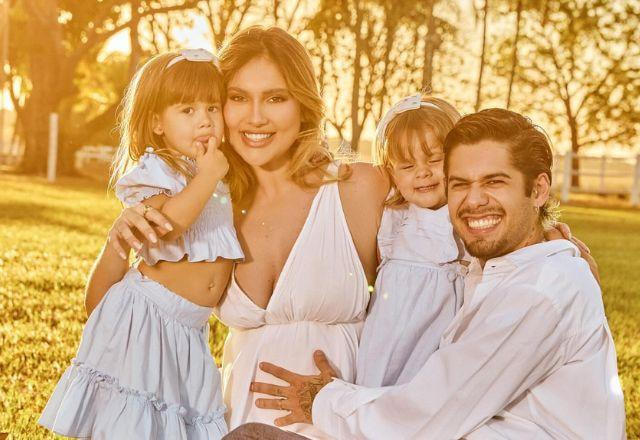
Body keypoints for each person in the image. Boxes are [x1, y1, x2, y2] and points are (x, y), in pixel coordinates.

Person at [82, 26, 389, 439]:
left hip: (343, 422)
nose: (255, 117)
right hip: (232, 422)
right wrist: (118, 237)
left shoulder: (358, 189)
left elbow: (424, 305)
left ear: (303, 105)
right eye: (237, 98)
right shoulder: (211, 208)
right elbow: (135, 308)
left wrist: (351, 402)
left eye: (276, 98)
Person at [250, 109, 626, 439]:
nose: (474, 200)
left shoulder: (539, 291)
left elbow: (426, 417)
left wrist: (324, 399)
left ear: (539, 189)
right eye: (460, 184)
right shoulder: (498, 272)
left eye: (495, 181)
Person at [39, 49, 243, 439]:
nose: (204, 120)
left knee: (174, 422)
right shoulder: (158, 170)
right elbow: (168, 226)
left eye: (212, 108)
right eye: (187, 110)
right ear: (157, 122)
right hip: (148, 317)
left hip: (190, 330)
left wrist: (213, 174)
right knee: (134, 421)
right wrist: (209, 174)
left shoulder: (216, 176)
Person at [357, 94, 467, 388]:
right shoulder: (393, 218)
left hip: (442, 348)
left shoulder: (469, 215)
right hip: (392, 338)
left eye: (435, 159)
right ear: (391, 172)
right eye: (406, 166)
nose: (423, 172)